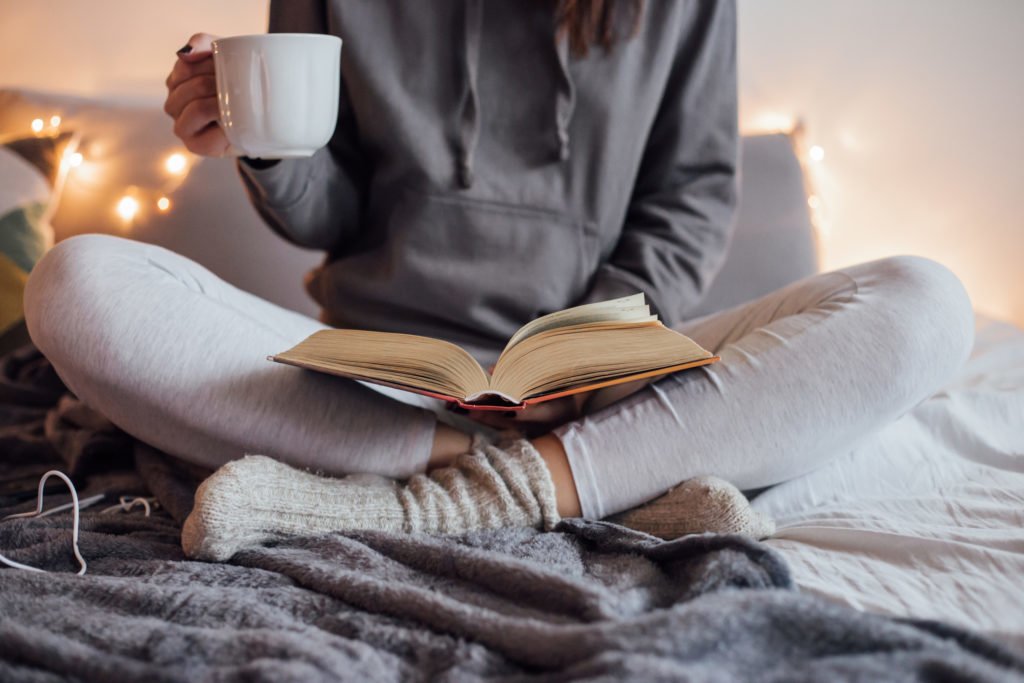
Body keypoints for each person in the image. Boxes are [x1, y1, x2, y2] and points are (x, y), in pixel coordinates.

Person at [24, 0, 974, 561]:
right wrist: (264, 149)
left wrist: (598, 358)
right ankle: (598, 485)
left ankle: (438, 488)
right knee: (73, 281)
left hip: (607, 369)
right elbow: (332, 213)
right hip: (366, 375)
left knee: (926, 300)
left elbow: (691, 195)